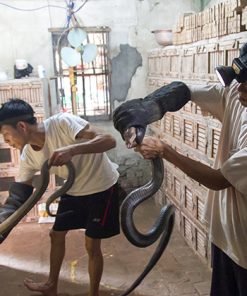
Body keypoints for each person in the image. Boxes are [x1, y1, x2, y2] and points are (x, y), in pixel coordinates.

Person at [113, 77, 247, 295]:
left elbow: (220, 180)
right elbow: (186, 89)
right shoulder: (236, 93)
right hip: (224, 235)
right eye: (242, 79)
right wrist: (150, 106)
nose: (240, 87)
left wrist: (164, 151)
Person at [0, 98, 120, 296]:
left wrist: (72, 149)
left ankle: (94, 293)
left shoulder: (62, 123)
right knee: (56, 236)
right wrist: (2, 227)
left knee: (91, 243)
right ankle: (51, 285)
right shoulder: (28, 156)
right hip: (73, 189)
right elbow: (17, 198)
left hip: (101, 186)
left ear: (21, 126)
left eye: (6, 135)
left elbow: (109, 140)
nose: (6, 141)